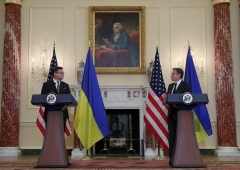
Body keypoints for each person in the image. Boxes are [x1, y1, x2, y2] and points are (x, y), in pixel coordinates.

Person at [166, 68, 191, 164]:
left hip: (181, 114)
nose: (171, 75)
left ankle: (182, 156)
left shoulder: (186, 86)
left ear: (179, 75)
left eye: (173, 74)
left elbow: (187, 99)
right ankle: (172, 157)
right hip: (171, 114)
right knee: (171, 137)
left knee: (181, 137)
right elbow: (169, 99)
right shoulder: (170, 86)